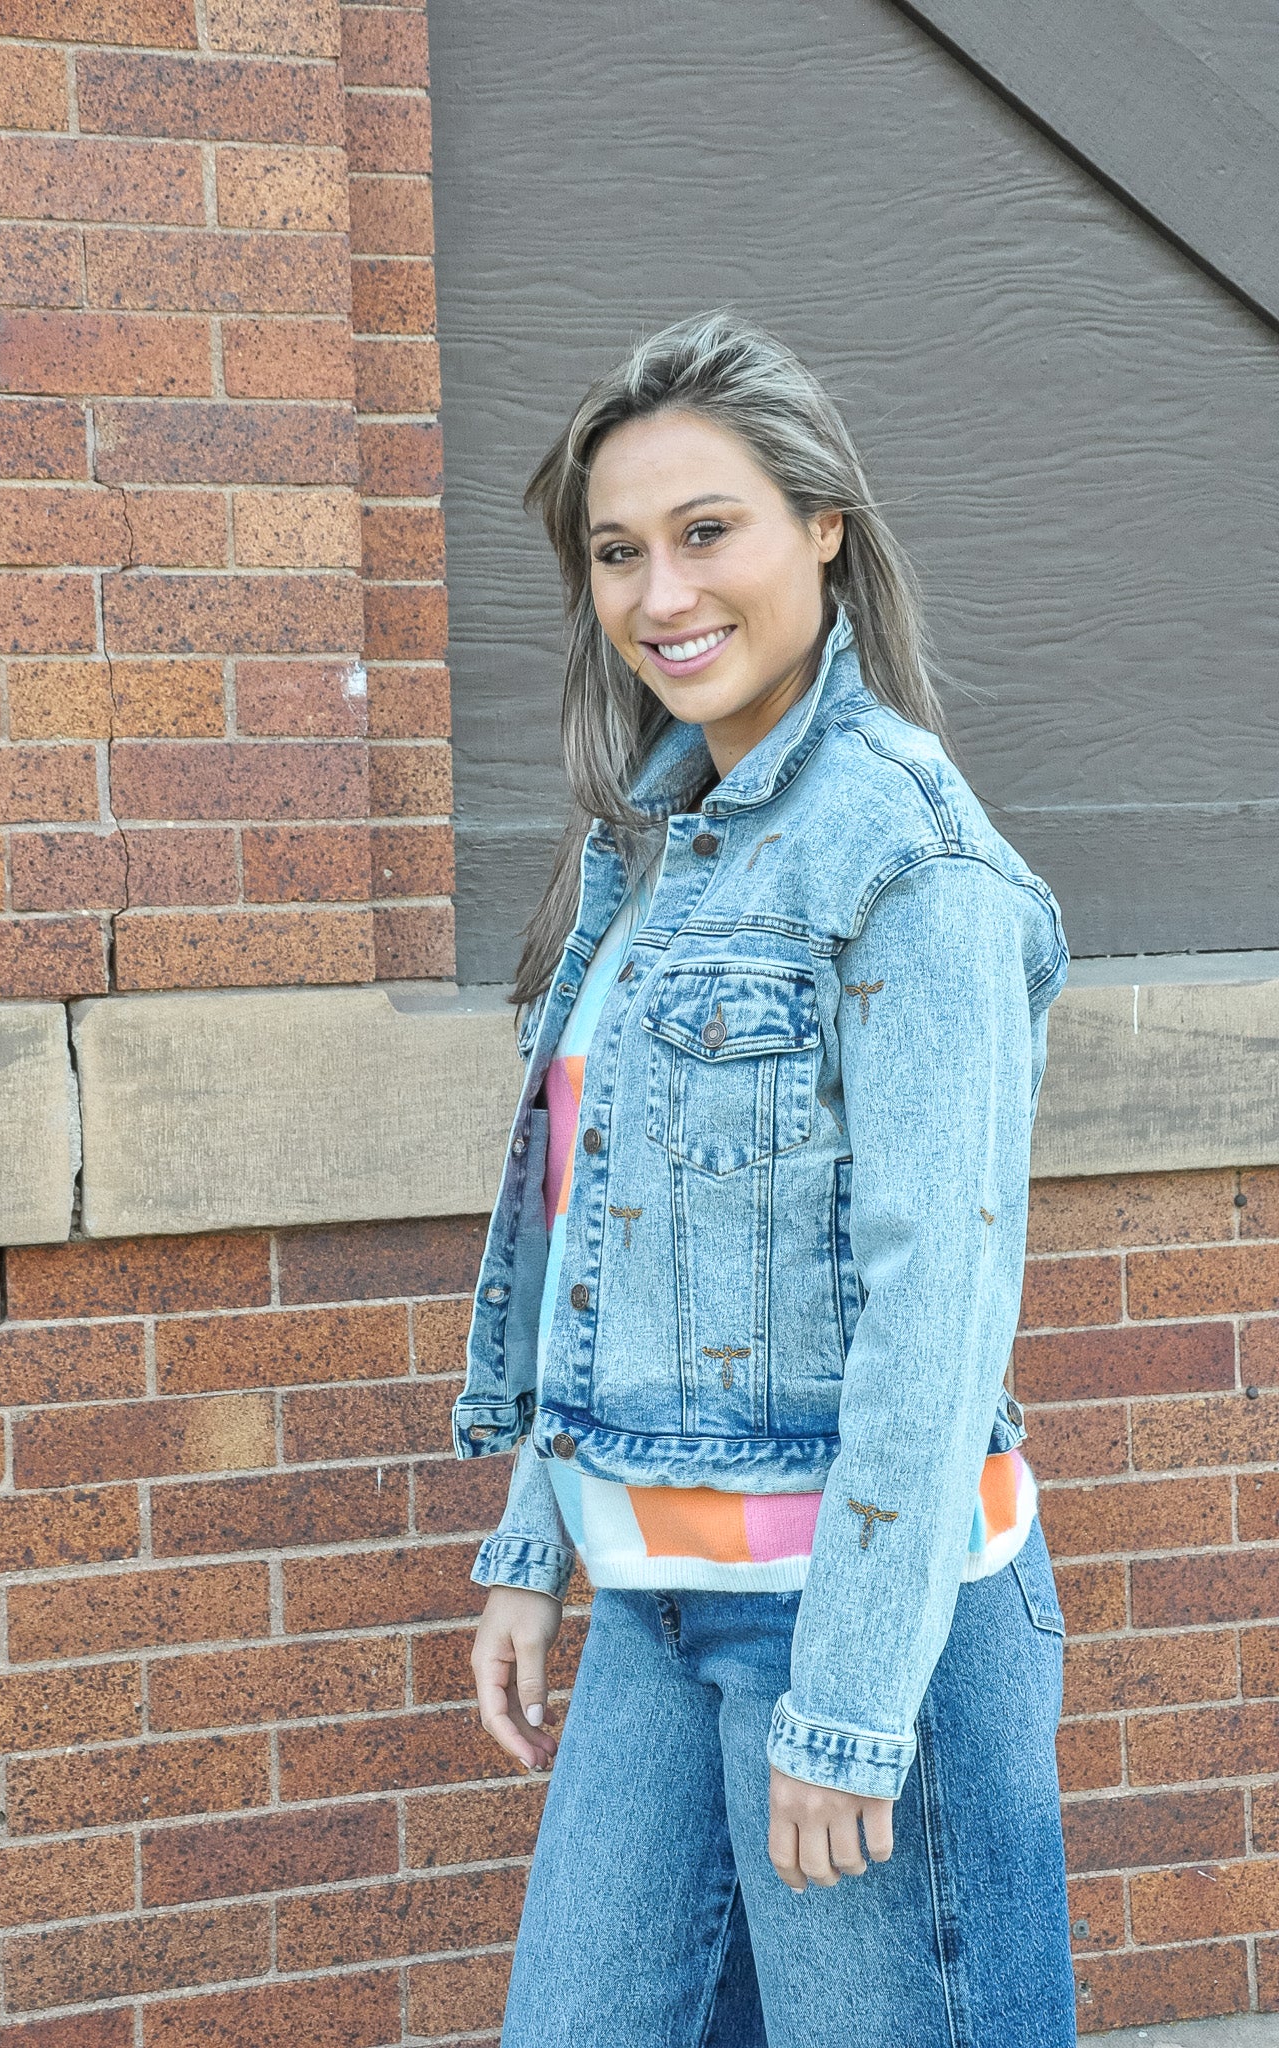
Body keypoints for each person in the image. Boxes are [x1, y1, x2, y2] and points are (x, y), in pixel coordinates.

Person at [450, 312, 1077, 2046]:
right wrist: (535, 1545)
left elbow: (939, 1305)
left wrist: (855, 1703)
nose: (661, 594)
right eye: (617, 551)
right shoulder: (654, 851)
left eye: (706, 531)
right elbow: (596, 1242)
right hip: (657, 1610)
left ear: (824, 530)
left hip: (856, 1624)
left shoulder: (908, 855)